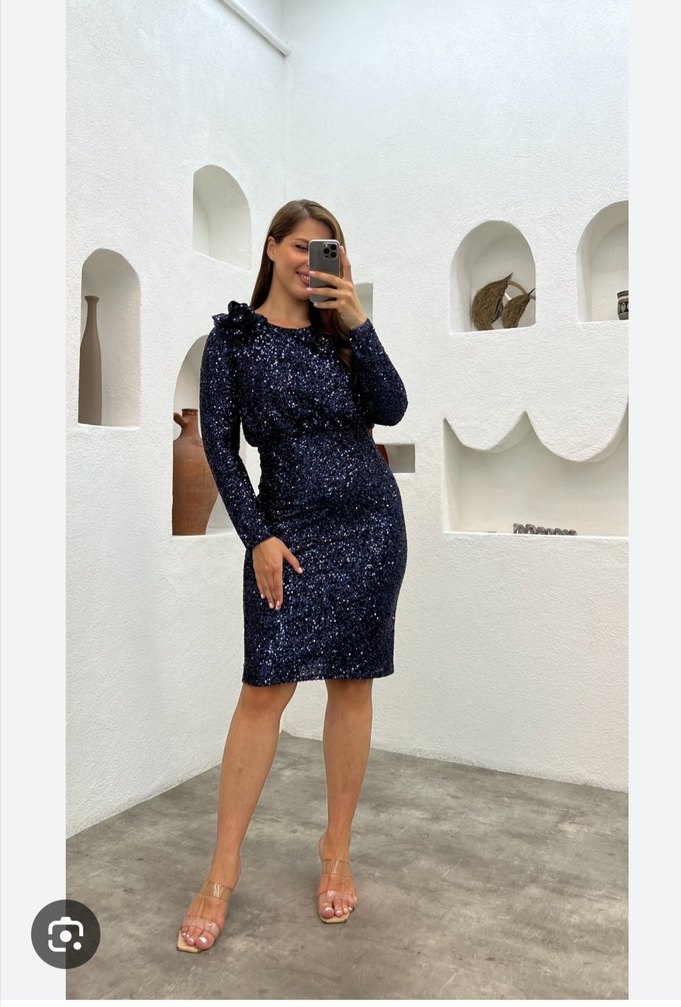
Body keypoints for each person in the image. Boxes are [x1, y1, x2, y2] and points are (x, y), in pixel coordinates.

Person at [177, 199, 408, 952]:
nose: (314, 261)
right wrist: (257, 536)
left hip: (369, 526)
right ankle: (222, 869)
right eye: (304, 247)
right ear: (273, 248)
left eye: (328, 249)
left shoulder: (342, 335)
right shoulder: (233, 340)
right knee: (263, 691)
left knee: (352, 683)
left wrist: (357, 319)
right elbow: (219, 445)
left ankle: (336, 849)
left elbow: (392, 408)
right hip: (287, 532)